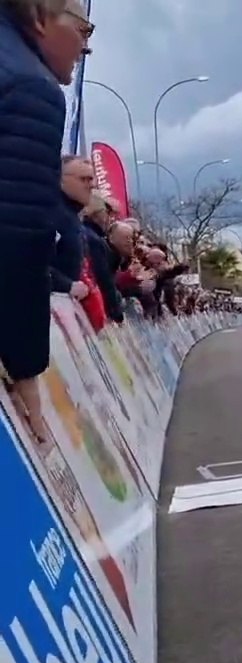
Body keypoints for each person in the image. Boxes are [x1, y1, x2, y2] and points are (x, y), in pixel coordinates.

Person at [0, 0, 90, 445]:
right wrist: (27, 371)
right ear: (39, 18)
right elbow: (18, 243)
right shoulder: (31, 88)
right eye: (84, 29)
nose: (86, 47)